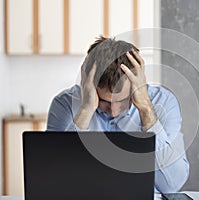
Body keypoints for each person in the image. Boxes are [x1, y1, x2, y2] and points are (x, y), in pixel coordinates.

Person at [47, 36, 190, 193]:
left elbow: (171, 185)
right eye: (104, 102)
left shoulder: (164, 103)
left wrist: (145, 109)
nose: (114, 112)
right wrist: (86, 109)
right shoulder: (65, 104)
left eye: (122, 101)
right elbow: (53, 177)